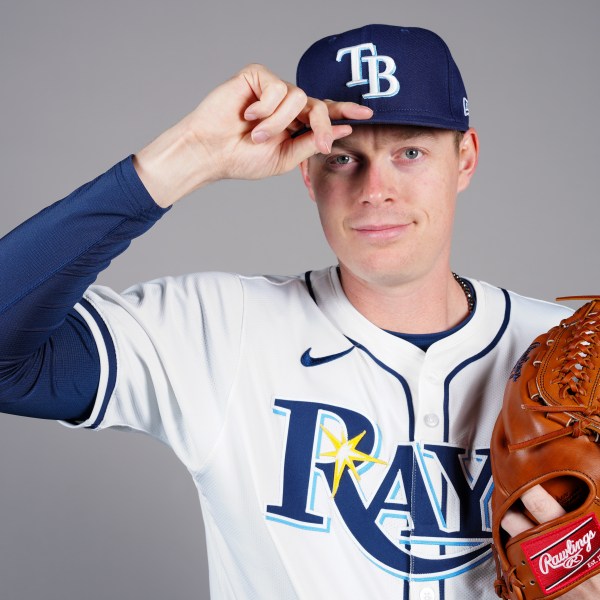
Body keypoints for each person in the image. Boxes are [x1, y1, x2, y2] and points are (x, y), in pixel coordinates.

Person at [0, 23, 597, 599]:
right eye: (342, 156)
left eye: (410, 152)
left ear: (465, 157)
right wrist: (188, 158)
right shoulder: (219, 331)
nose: (375, 189)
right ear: (306, 170)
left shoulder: (569, 359)